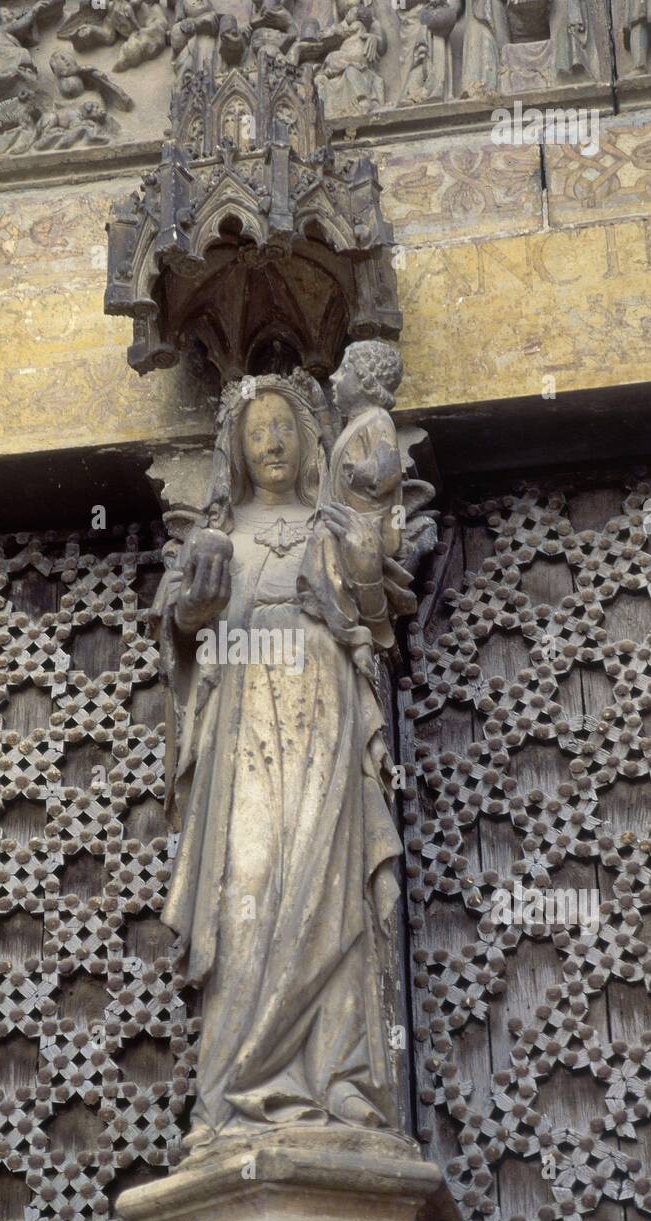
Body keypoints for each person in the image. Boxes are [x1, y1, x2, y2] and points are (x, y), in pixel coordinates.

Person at [153, 370, 404, 1149]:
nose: (268, 441)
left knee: (329, 887)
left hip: (322, 711)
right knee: (249, 888)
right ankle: (231, 1094)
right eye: (253, 429)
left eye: (283, 427)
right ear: (231, 449)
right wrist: (193, 605)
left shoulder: (326, 527)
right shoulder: (214, 537)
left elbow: (371, 606)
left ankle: (338, 1082)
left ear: (308, 445)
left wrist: (367, 517)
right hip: (243, 728)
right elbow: (182, 631)